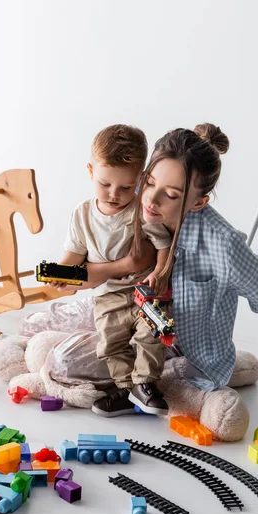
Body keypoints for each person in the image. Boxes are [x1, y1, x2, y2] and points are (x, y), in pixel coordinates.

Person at [116, 122, 258, 429]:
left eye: (170, 194)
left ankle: (221, 379)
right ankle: (236, 369)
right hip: (133, 340)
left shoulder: (222, 245)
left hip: (187, 362)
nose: (151, 199)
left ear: (198, 202)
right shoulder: (131, 204)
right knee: (73, 360)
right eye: (149, 181)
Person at [54, 124, 172, 417]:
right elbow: (72, 259)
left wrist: (159, 272)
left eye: (126, 187)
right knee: (110, 343)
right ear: (91, 171)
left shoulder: (142, 211)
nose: (114, 194)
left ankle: (145, 384)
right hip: (107, 297)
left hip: (143, 292)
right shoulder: (82, 216)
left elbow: (163, 245)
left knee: (150, 333)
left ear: (140, 180)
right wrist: (60, 274)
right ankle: (123, 388)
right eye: (105, 184)